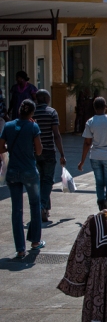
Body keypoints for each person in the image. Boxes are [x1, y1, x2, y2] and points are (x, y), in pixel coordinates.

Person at [0, 99, 44, 258]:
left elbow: (1, 147)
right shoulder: (33, 126)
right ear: (32, 113)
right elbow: (39, 151)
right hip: (29, 171)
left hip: (13, 172)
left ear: (19, 110)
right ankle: (35, 241)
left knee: (16, 210)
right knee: (35, 205)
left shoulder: (8, 126)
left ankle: (20, 248)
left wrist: (11, 148)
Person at [33, 90, 66, 223]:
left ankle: (45, 209)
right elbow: (56, 134)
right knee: (48, 180)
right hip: (48, 151)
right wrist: (62, 153)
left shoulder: (32, 112)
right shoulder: (52, 112)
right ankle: (41, 207)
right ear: (46, 99)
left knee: (40, 180)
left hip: (34, 152)